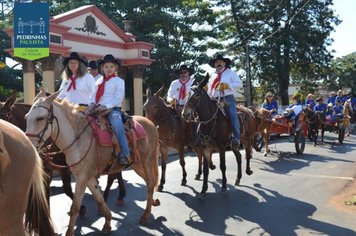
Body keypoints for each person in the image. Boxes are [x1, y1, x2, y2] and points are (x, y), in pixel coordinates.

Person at [95, 54, 130, 165]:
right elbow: (93, 95)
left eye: (111, 66)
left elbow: (118, 98)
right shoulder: (98, 82)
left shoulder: (119, 81)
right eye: (106, 67)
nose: (108, 69)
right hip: (97, 109)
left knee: (116, 124)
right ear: (102, 69)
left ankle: (125, 154)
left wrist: (105, 106)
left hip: (113, 109)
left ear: (116, 68)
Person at [207, 54, 243, 147]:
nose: (218, 64)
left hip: (227, 98)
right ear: (214, 65)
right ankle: (206, 137)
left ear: (224, 63)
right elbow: (210, 91)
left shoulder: (230, 73)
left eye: (220, 62)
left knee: (232, 114)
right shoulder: (212, 76)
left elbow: (239, 84)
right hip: (214, 100)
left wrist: (228, 85)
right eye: (217, 62)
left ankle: (236, 137)